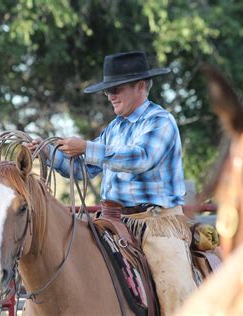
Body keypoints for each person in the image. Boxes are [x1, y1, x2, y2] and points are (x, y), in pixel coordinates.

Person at [26, 51, 197, 314]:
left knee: (176, 291)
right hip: (112, 223)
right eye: (108, 91)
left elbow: (140, 158)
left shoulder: (160, 121)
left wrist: (86, 147)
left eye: (116, 89)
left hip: (157, 224)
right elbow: (86, 170)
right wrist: (49, 153)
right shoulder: (115, 127)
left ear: (141, 86)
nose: (110, 96)